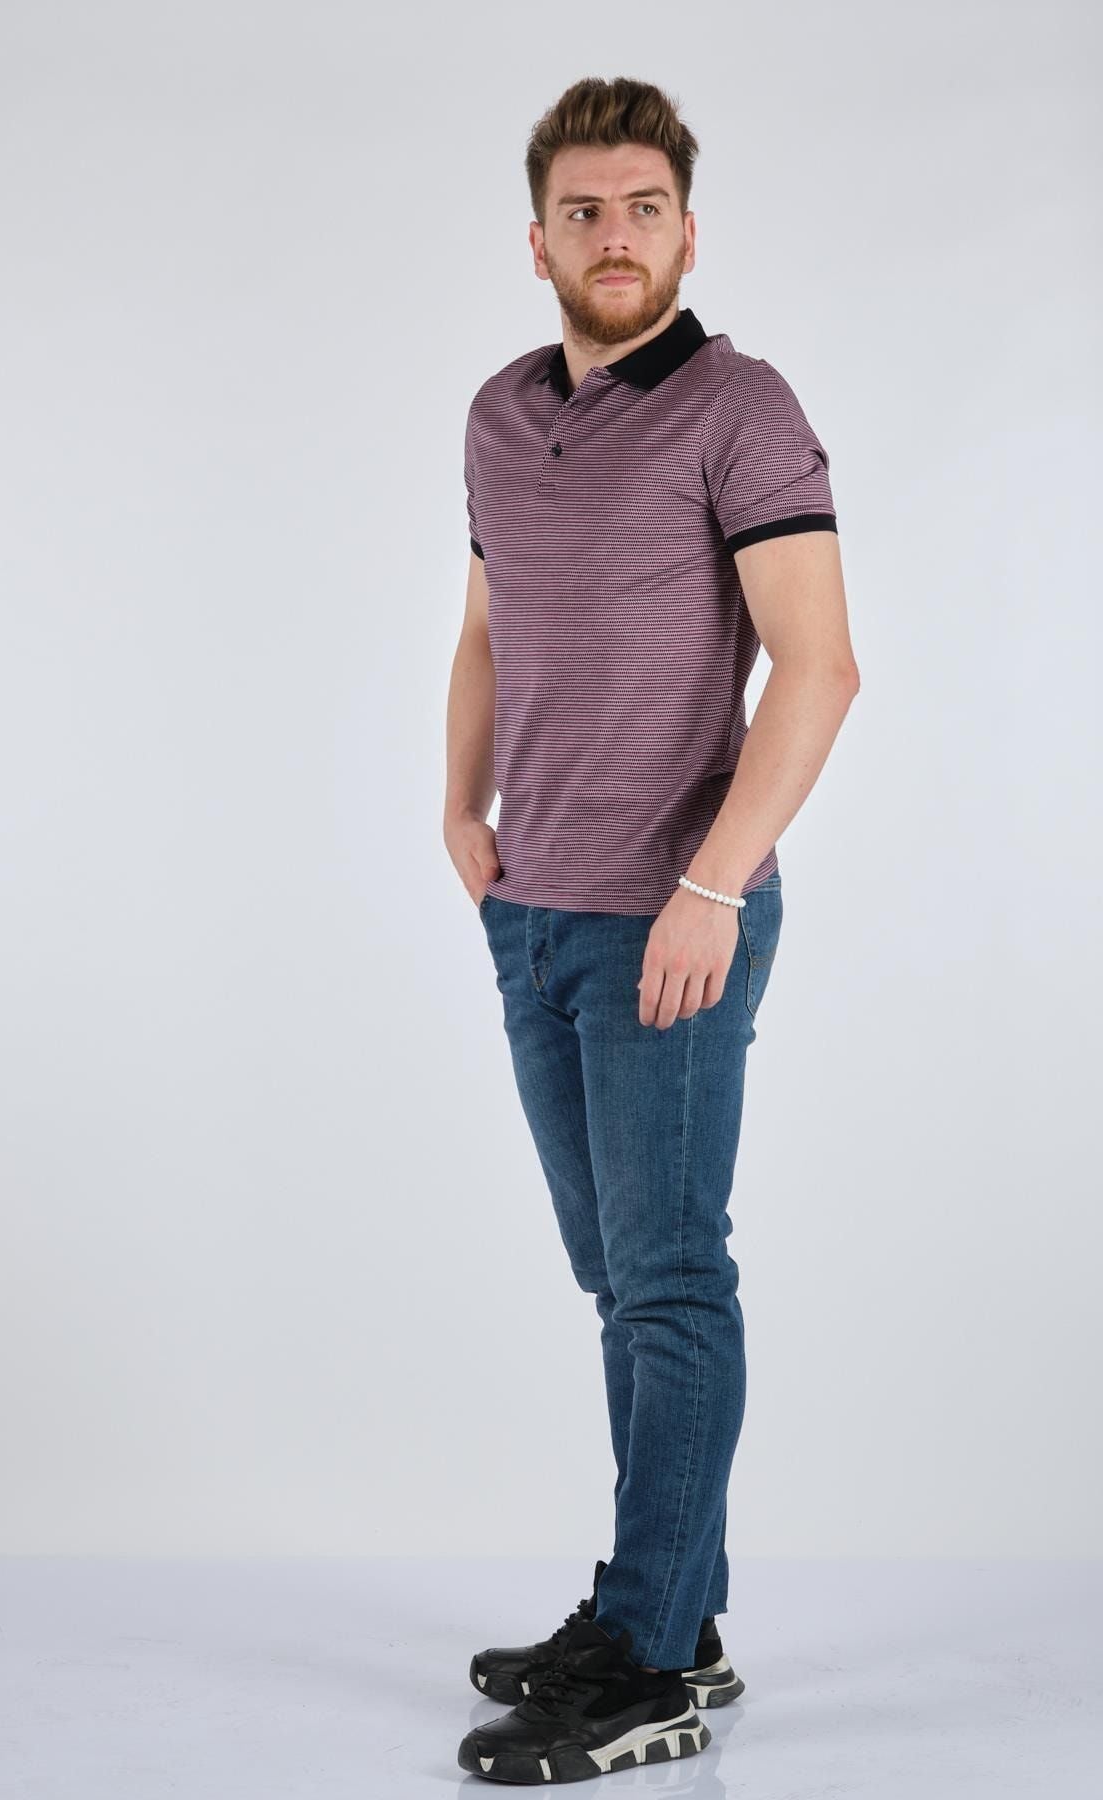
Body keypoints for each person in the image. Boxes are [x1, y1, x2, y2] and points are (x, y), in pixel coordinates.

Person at [444, 74, 860, 1784]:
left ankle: (648, 1657)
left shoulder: (742, 408)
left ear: (689, 230)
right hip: (533, 913)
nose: (612, 237)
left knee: (673, 1282)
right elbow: (488, 624)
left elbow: (820, 670)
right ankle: (671, 1615)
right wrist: (459, 811)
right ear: (537, 238)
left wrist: (712, 886)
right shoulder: (497, 413)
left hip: (673, 920)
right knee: (619, 1281)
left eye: (643, 208)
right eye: (583, 212)